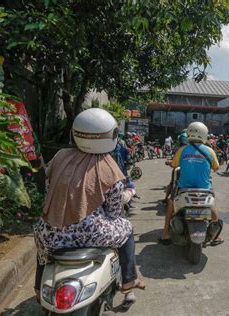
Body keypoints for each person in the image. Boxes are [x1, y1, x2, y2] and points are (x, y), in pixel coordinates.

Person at [33, 108, 145, 305]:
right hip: (91, 233)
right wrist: (128, 194)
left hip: (51, 231)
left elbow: (49, 189)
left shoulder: (60, 156)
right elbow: (112, 212)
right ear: (112, 135)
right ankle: (129, 280)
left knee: (42, 248)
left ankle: (37, 285)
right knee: (127, 229)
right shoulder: (110, 167)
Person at [159, 122, 224, 246]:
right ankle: (216, 236)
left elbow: (174, 165)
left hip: (184, 189)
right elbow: (216, 168)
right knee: (212, 206)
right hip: (204, 190)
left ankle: (165, 233)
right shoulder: (210, 151)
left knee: (171, 203)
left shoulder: (182, 150)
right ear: (204, 134)